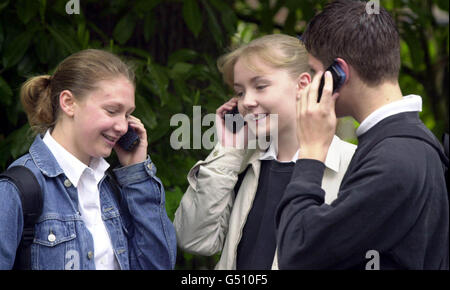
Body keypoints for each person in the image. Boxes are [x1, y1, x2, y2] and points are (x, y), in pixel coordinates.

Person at [275, 0, 449, 269]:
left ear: (339, 73)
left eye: (313, 71)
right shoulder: (404, 144)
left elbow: (298, 252)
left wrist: (310, 153)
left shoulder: (394, 159)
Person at [174, 34, 357, 269]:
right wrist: (229, 149)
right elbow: (193, 240)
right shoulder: (237, 164)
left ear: (302, 85)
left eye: (260, 86)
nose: (247, 101)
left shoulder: (353, 165)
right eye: (240, 92)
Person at [0, 49, 177, 270]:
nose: (123, 127)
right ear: (68, 103)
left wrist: (137, 173)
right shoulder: (17, 189)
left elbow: (159, 265)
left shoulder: (115, 187)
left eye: (127, 114)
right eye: (112, 111)